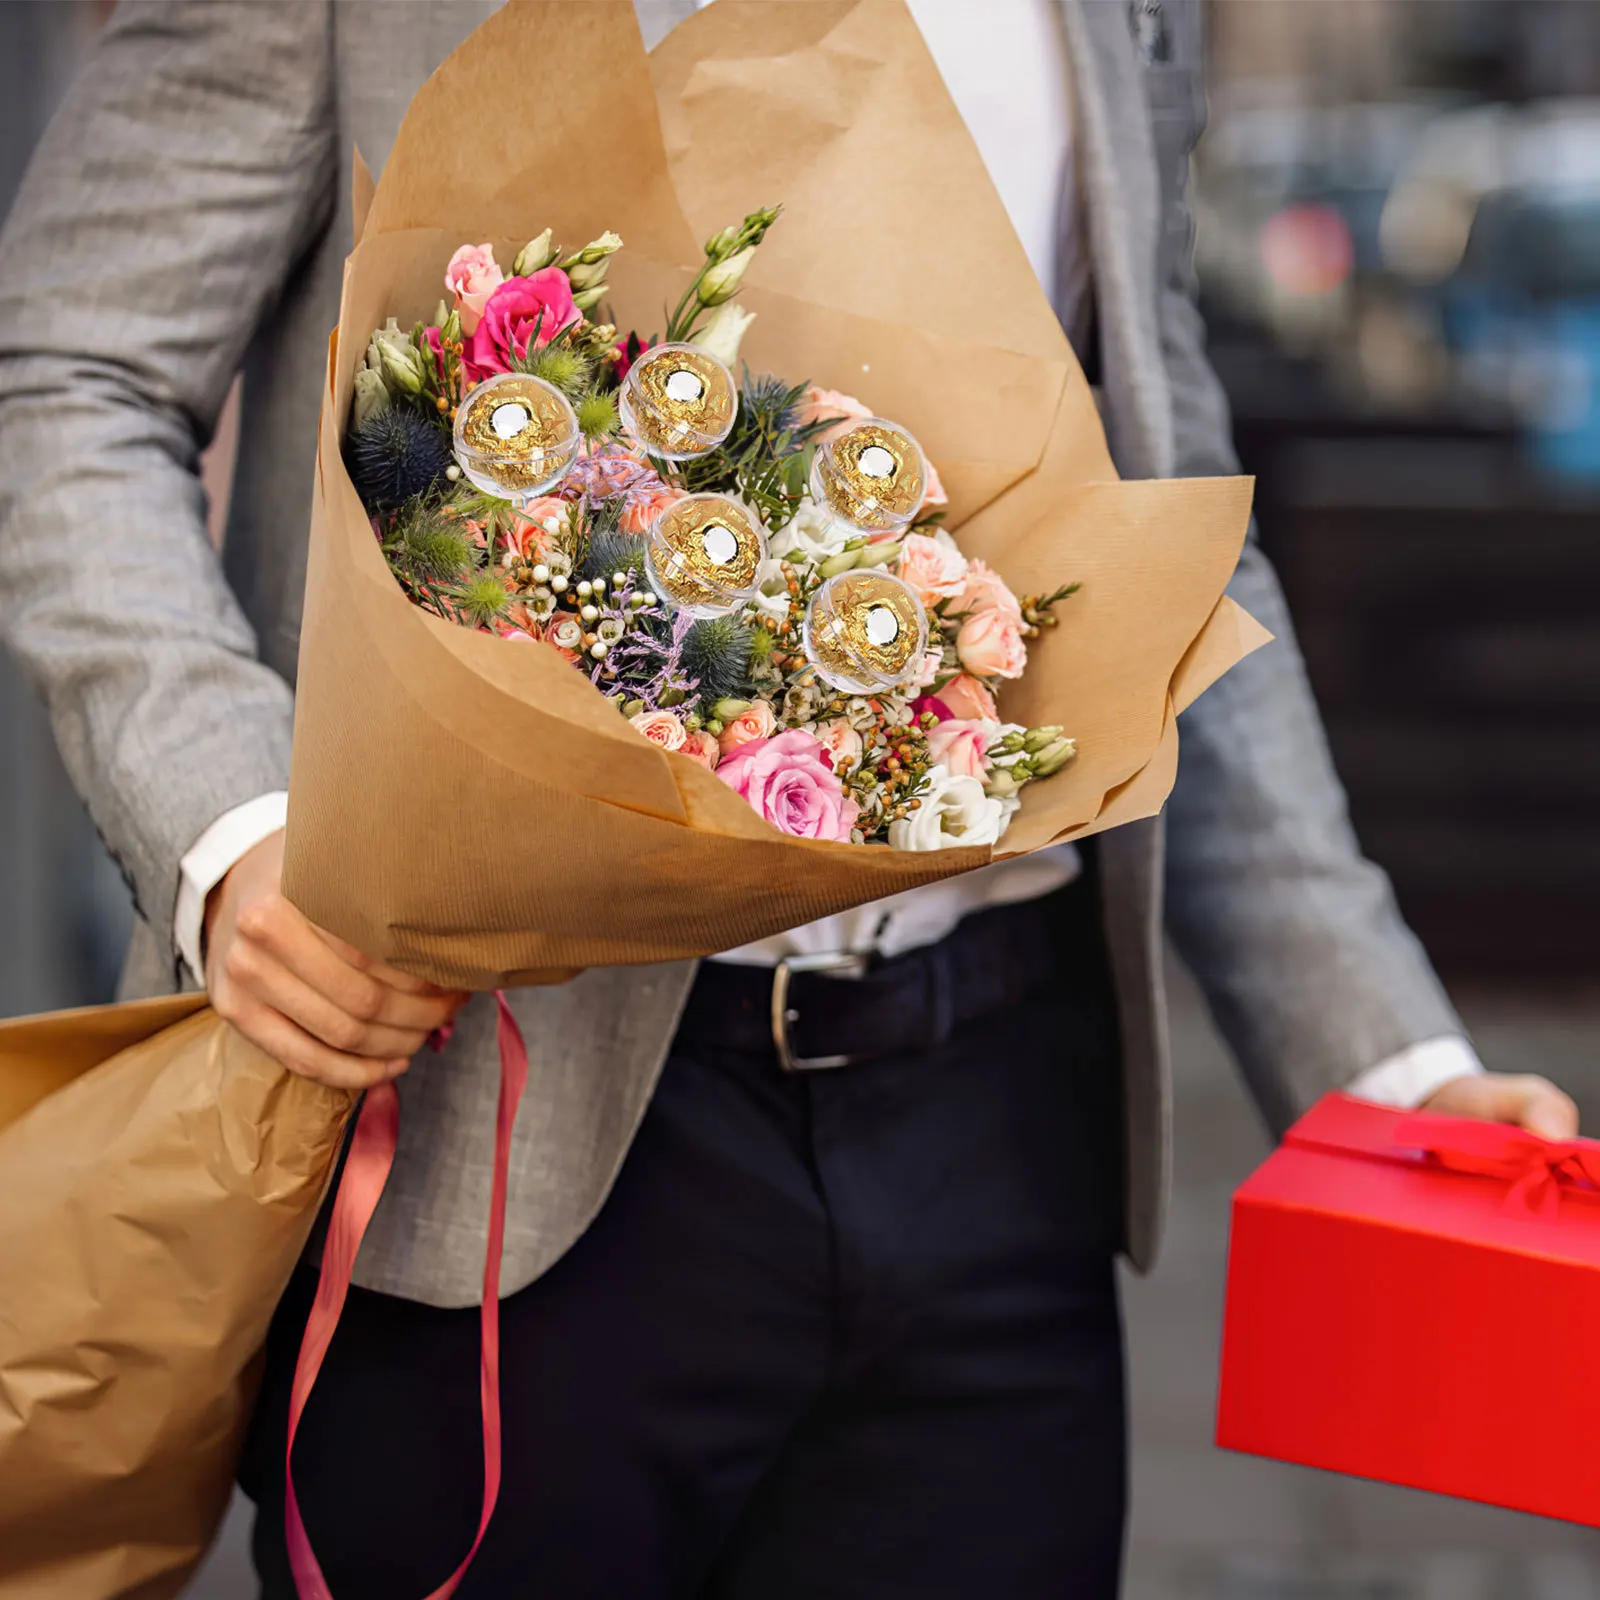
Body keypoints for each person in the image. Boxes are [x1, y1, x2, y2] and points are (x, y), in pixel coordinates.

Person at [0, 2, 1577, 1596]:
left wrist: (1390, 1068)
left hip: (998, 1119)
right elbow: (71, 375)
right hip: (497, 1127)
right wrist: (238, 831)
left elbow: (1165, 526)